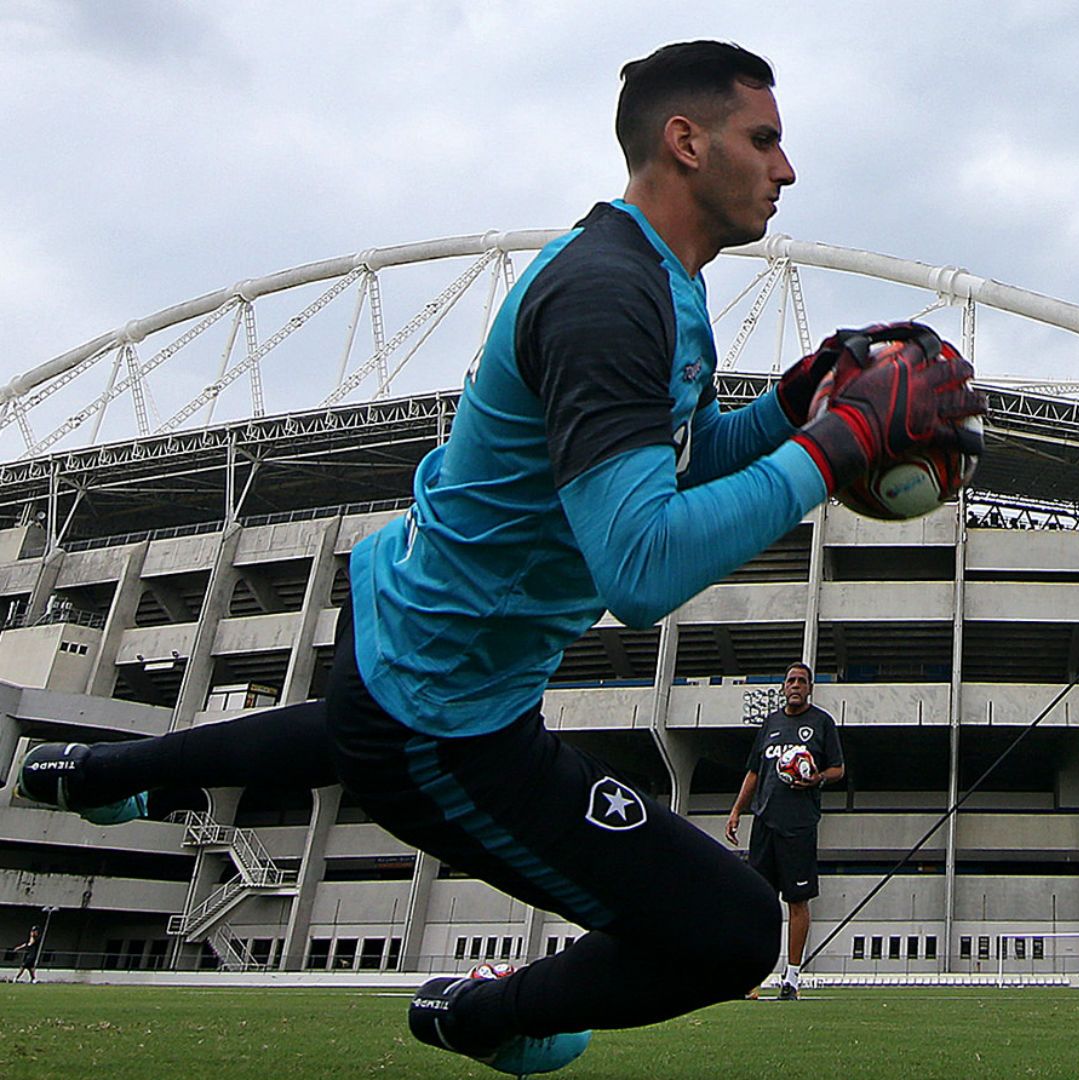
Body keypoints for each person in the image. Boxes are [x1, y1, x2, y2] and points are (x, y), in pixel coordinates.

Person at [10, 40, 984, 1077]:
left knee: (342, 732)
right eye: (767, 140)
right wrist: (834, 446)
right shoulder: (609, 298)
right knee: (731, 928)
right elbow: (641, 566)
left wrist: (792, 406)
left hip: (418, 644)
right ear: (687, 142)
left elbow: (684, 465)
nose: (787, 170)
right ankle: (478, 1017)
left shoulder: (664, 287)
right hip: (447, 721)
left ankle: (103, 775)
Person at [726, 661, 844, 1000]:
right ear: (783, 687)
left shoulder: (821, 723)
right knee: (759, 902)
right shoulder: (771, 723)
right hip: (764, 822)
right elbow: (754, 772)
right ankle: (752, 978)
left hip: (799, 825)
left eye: (801, 681)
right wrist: (736, 811)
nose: (795, 685)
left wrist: (817, 777)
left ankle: (791, 978)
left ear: (809, 688)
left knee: (797, 901)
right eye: (790, 680)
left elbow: (838, 768)